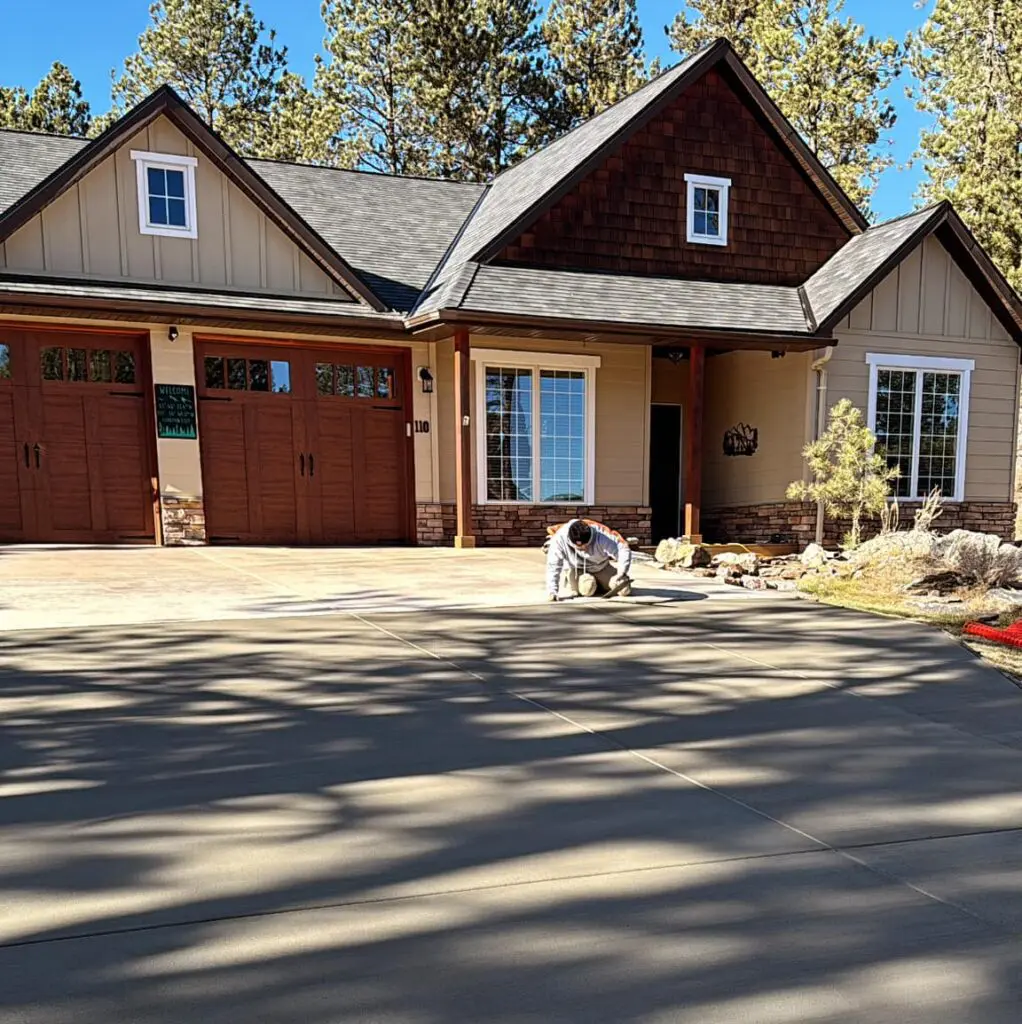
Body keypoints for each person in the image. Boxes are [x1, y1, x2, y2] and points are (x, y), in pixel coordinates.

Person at [546, 519, 633, 601]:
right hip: (577, 569)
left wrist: (621, 573)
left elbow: (622, 549)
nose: (584, 548)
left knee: (623, 589)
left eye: (586, 544)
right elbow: (553, 565)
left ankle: (600, 584)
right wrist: (552, 591)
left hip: (601, 567)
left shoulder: (602, 534)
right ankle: (591, 585)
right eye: (579, 546)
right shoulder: (559, 538)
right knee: (587, 588)